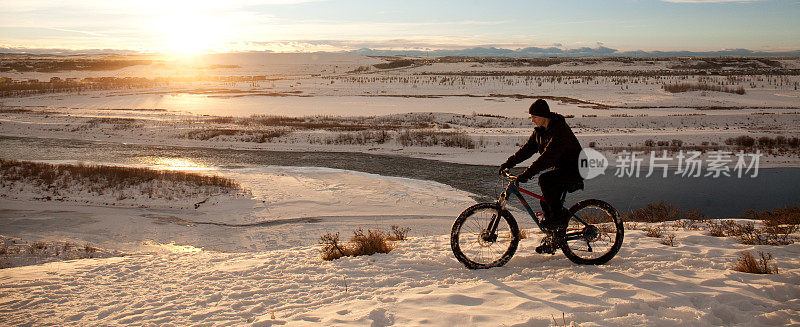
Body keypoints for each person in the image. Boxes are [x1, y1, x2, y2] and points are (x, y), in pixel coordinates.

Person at [499, 99, 584, 252]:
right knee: (546, 203)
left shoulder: (559, 129)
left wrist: (526, 174)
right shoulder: (540, 131)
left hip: (574, 168)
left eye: (534, 116)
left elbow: (547, 157)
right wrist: (508, 163)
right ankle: (554, 240)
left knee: (545, 180)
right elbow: (526, 150)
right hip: (561, 168)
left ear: (543, 116)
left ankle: (559, 222)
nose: (531, 119)